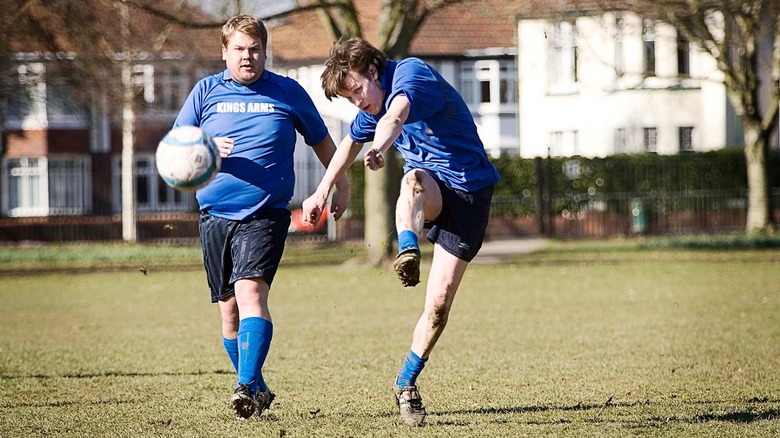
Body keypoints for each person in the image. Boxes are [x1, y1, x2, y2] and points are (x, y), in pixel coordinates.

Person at [301, 38, 500, 426]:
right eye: (349, 98)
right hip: (431, 187)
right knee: (412, 181)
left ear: (373, 71)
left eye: (357, 90)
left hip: (471, 193)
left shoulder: (411, 73)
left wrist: (380, 147)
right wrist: (320, 191)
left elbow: (396, 114)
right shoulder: (369, 104)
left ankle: (405, 381)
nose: (358, 102)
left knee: (439, 305)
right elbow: (348, 144)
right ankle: (407, 251)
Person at [172, 14, 349, 420]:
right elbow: (175, 150)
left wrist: (341, 185)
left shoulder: (287, 92)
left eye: (254, 49)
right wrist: (206, 145)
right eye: (239, 49)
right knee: (228, 311)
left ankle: (245, 385)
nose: (247, 56)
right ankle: (258, 385)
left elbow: (323, 141)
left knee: (252, 293)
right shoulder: (205, 92)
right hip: (214, 215)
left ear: (265, 52)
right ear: (224, 52)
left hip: (265, 213)